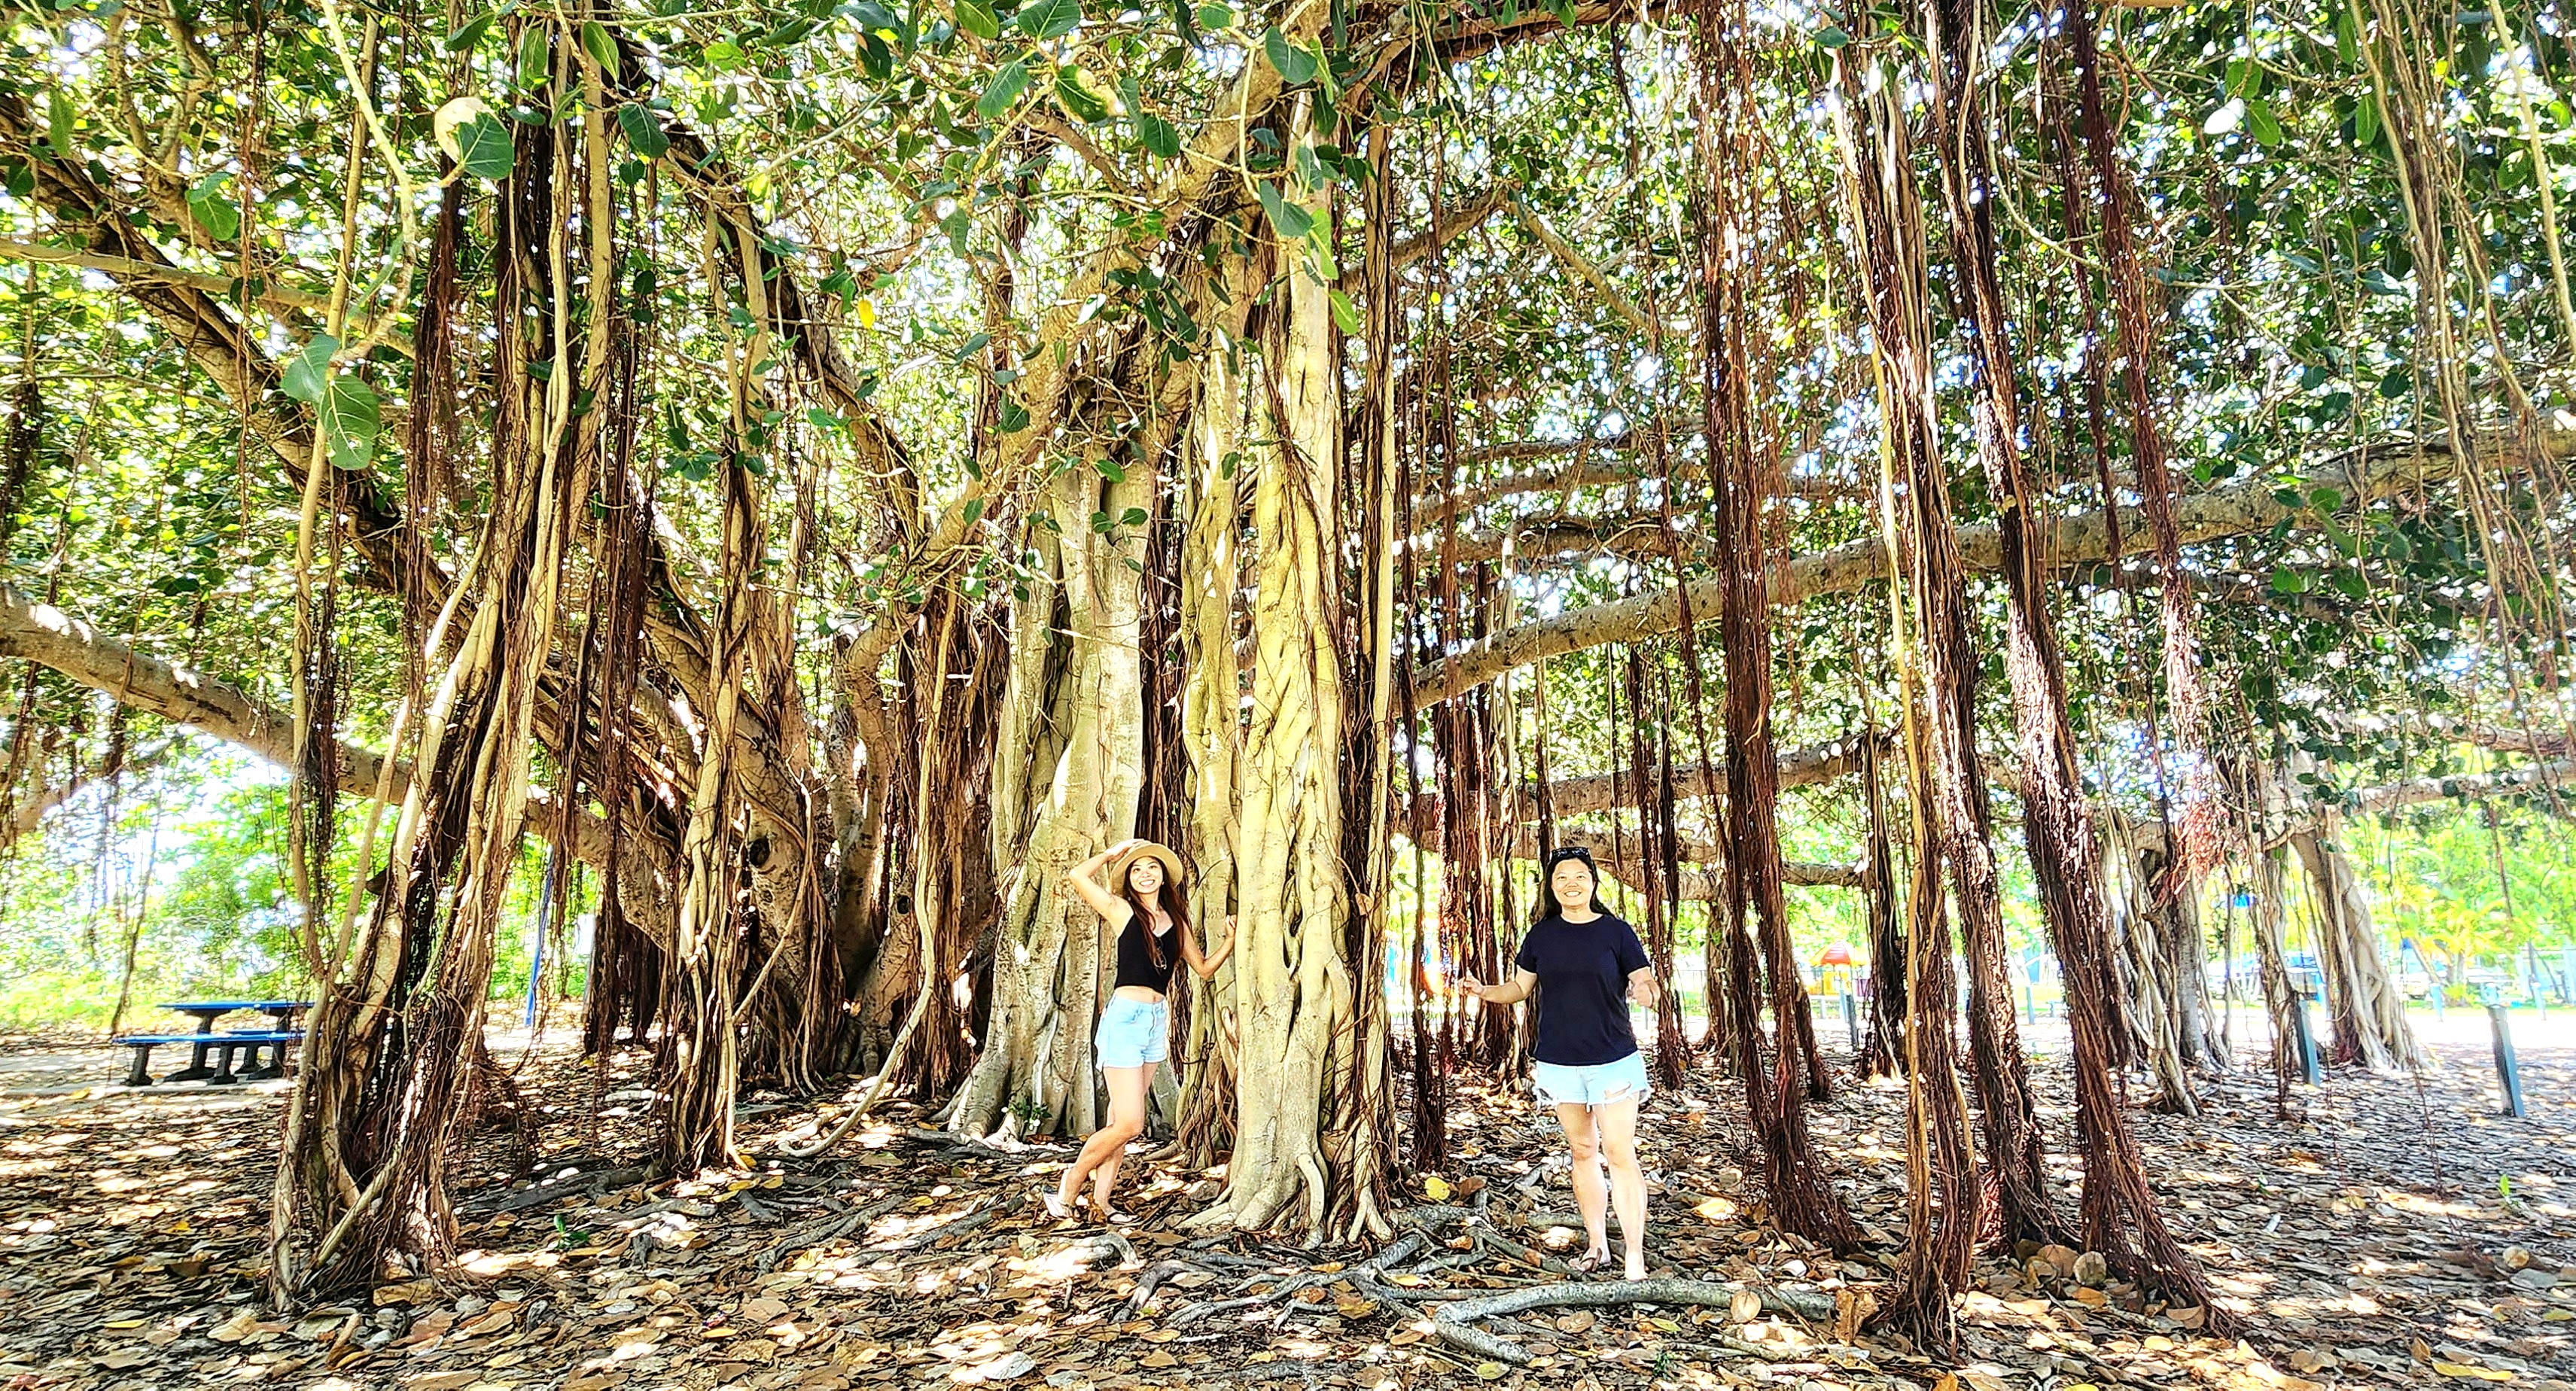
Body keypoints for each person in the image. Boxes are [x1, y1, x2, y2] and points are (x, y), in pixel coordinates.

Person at [1456, 846, 1658, 1280]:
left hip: (1612, 1059)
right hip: (1559, 1061)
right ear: (1552, 886)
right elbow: (1519, 988)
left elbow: (1641, 976)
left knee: (1620, 1152)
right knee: (1582, 1151)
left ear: (1593, 882)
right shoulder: (1541, 936)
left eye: (1580, 876)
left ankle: (1635, 1255)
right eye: (1562, 877)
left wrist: (1645, 988)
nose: (1571, 883)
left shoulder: (1617, 932)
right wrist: (1484, 991)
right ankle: (1597, 1245)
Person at [1044, 837, 1232, 1222]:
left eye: (1152, 868)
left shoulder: (1177, 922)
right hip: (1125, 1019)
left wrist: (1231, 939)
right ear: (1129, 879)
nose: (1145, 874)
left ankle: (1101, 1202)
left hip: (1154, 1022)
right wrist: (1113, 853)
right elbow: (1077, 875)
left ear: (1164, 877)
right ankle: (1071, 1181)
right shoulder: (1121, 911)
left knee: (1119, 1121)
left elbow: (1204, 969)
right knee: (1131, 1122)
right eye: (1137, 869)